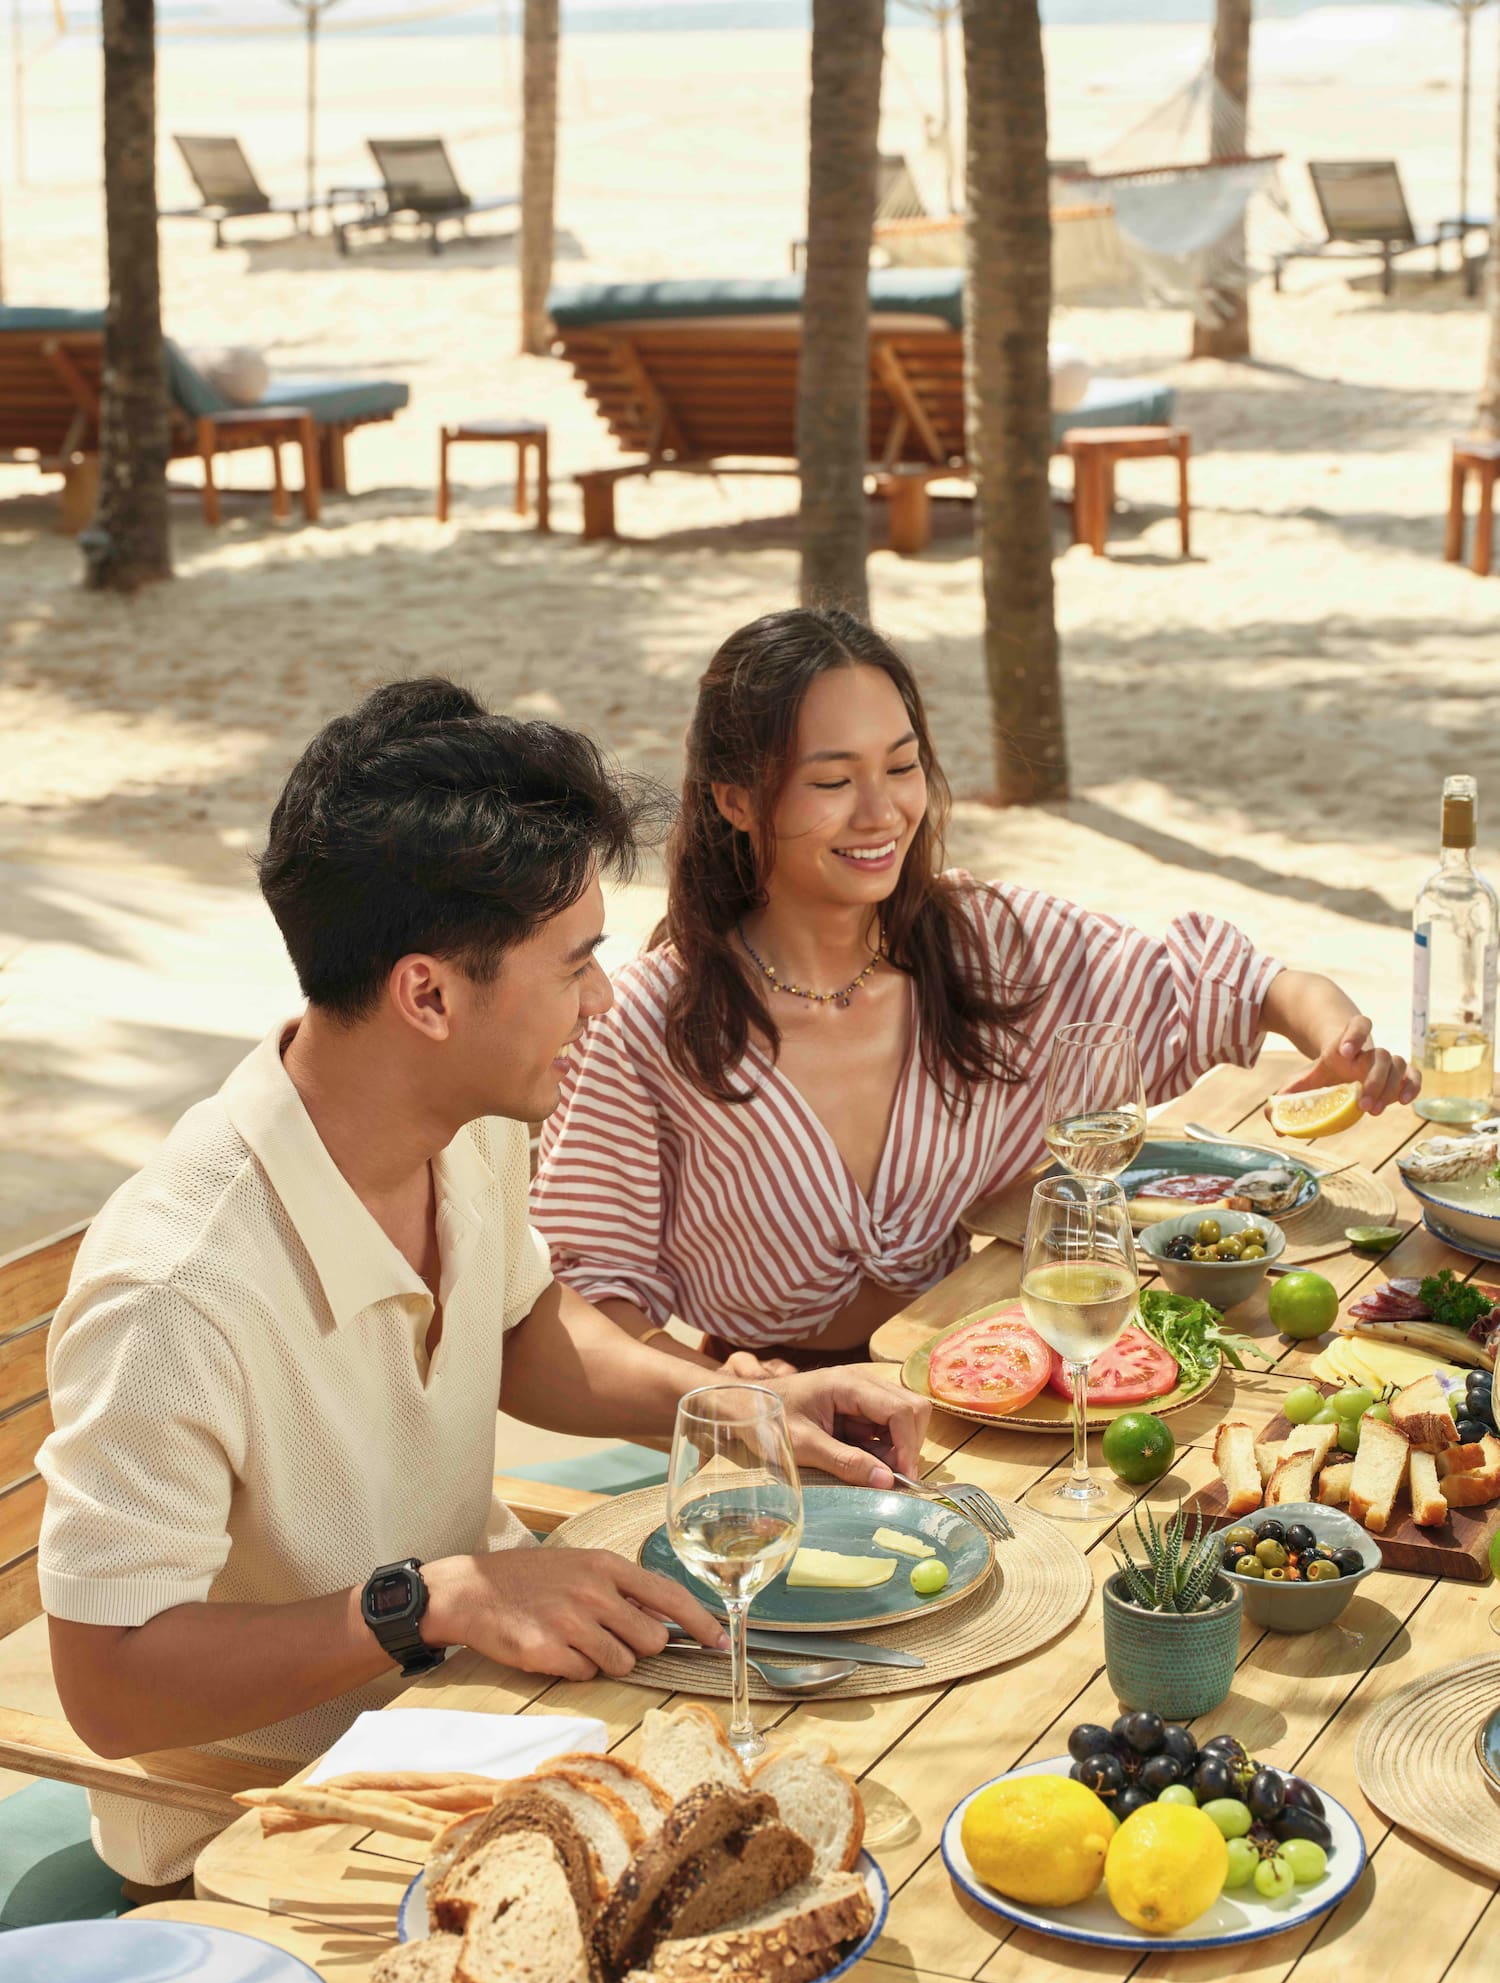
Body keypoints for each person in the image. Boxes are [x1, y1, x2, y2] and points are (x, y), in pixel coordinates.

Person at [37, 678, 927, 1889]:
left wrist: (726, 1402)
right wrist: (428, 1602)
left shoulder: (472, 1119)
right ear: (430, 994)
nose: (603, 999)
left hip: (500, 1717)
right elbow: (108, 1685)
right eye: (575, 965)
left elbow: (519, 1327)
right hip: (283, 1832)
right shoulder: (176, 1290)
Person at [533, 607, 1418, 1372]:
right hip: (775, 1423)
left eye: (902, 767)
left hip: (992, 1371)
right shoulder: (644, 1024)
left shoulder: (988, 946)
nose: (881, 812)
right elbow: (585, 1294)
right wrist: (741, 1403)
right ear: (734, 800)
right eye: (833, 781)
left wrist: (1333, 1032)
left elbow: (1231, 987)